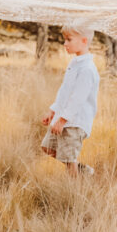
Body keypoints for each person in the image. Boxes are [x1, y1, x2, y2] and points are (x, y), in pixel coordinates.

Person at [41, 26, 99, 175]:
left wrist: (62, 120)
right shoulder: (75, 64)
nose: (65, 44)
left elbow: (78, 99)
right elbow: (65, 91)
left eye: (69, 40)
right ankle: (82, 170)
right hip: (63, 117)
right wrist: (53, 111)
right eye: (64, 39)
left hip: (75, 121)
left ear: (84, 41)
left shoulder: (87, 69)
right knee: (48, 148)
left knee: (68, 159)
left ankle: (74, 191)